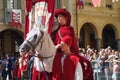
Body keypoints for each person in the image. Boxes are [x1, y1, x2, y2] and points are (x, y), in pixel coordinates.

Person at [51, 8, 83, 80]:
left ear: (65, 18)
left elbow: (72, 43)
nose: (58, 18)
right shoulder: (55, 29)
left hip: (67, 52)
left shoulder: (69, 29)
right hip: (57, 53)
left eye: (60, 16)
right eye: (58, 16)